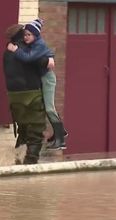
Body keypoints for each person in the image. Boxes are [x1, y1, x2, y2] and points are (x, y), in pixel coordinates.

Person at [7, 19, 68, 150]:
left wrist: (15, 50)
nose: (26, 37)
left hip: (47, 78)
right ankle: (60, 132)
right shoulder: (34, 43)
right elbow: (46, 51)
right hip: (42, 77)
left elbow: (28, 58)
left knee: (49, 108)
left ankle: (61, 140)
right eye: (25, 35)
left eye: (29, 35)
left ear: (36, 35)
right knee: (47, 107)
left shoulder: (38, 45)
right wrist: (50, 56)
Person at [3, 24, 49, 164]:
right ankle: (30, 163)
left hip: (14, 97)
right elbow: (43, 63)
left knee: (23, 131)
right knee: (36, 131)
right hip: (31, 95)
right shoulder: (27, 50)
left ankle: (17, 161)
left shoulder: (7, 52)